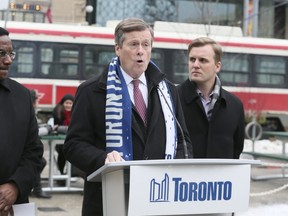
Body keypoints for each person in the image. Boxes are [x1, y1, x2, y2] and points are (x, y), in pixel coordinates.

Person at [63, 18, 193, 216]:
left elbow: (182, 140)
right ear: (117, 48)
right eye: (133, 44)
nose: (140, 50)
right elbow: (73, 146)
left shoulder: (168, 90)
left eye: (146, 44)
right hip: (108, 199)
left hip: (159, 198)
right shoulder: (92, 91)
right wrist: (103, 159)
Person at [177, 37, 245, 159]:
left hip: (221, 177)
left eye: (203, 60)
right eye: (192, 59)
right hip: (182, 177)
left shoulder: (235, 105)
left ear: (217, 66)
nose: (195, 65)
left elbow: (237, 150)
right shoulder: (172, 98)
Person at [0, 27, 43, 215]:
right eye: (1, 53)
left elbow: (34, 152)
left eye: (11, 53)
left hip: (13, 206)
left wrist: (15, 186)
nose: (8, 60)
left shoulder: (22, 96)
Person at [29, 89, 52, 198]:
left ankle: (31, 186)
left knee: (40, 162)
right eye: (37, 100)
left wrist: (46, 127)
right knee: (38, 162)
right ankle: (36, 189)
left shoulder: (28, 110)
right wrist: (48, 129)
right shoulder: (28, 111)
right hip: (25, 149)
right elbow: (34, 131)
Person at [52, 94, 74, 176]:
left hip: (72, 140)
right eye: (66, 103)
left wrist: (60, 128)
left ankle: (71, 174)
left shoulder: (76, 113)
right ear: (62, 103)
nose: (68, 105)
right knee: (62, 151)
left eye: (70, 103)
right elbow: (54, 128)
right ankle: (61, 173)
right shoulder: (57, 112)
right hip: (59, 142)